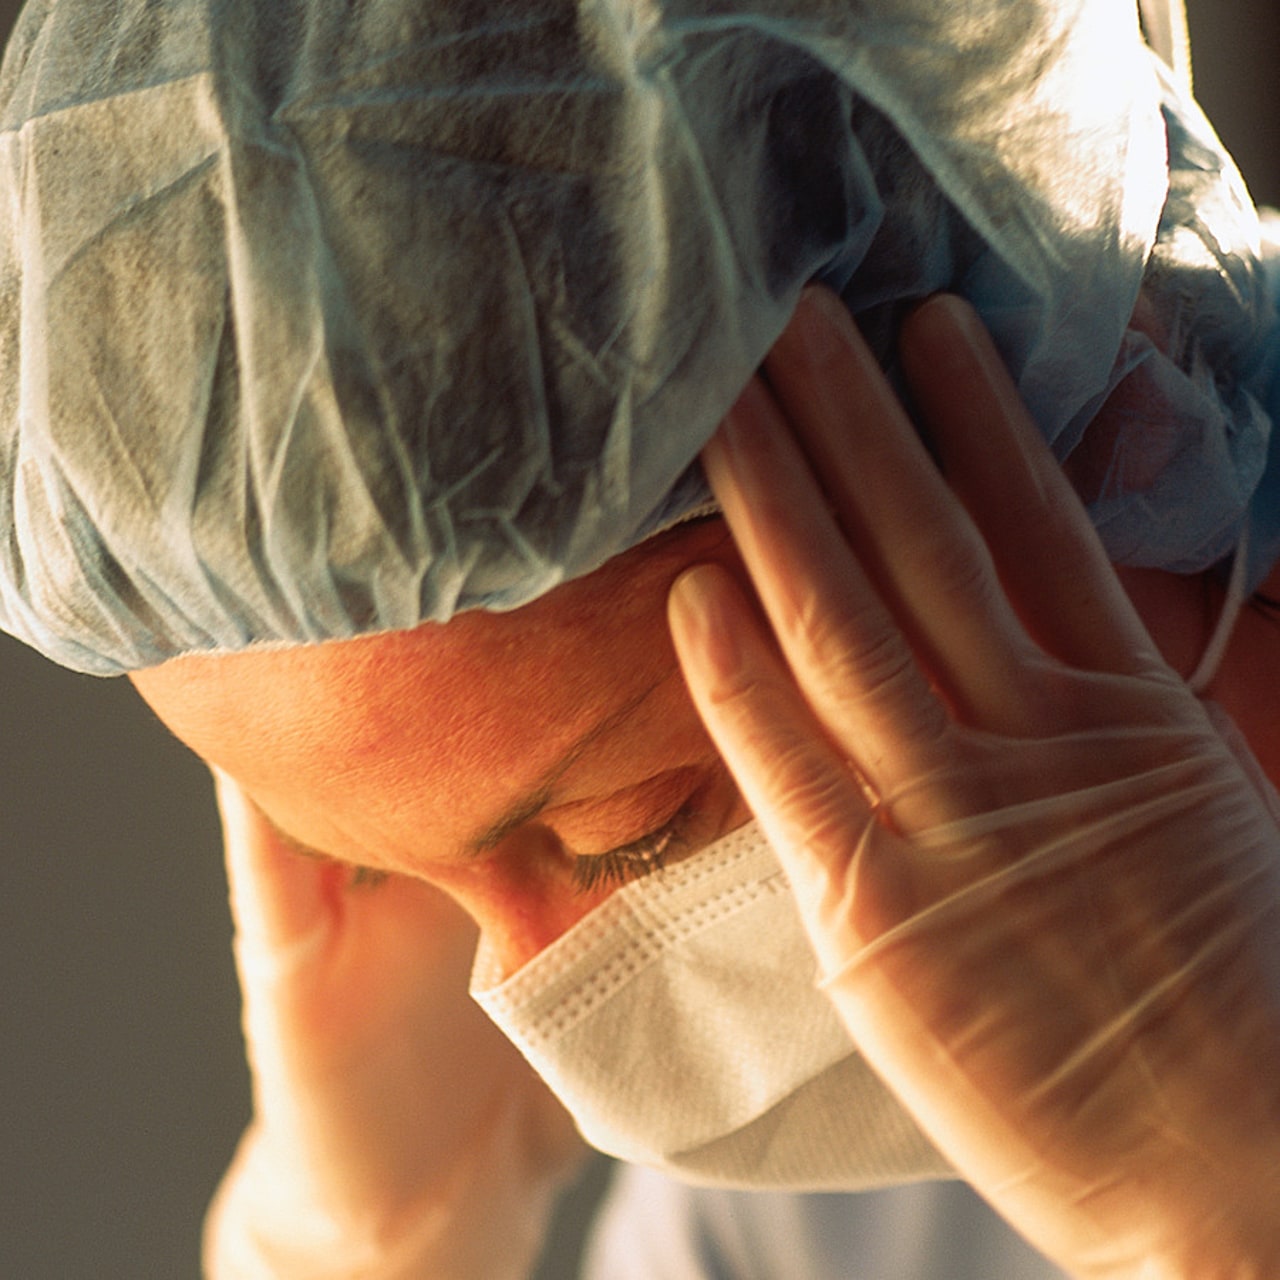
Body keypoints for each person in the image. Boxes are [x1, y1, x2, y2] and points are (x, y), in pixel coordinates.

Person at [2, 0, 1279, 1276]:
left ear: (1116, 405)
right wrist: (367, 1241)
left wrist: (1233, 1205)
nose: (539, 1010)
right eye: (391, 874)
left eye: (637, 828)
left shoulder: (1143, 1093)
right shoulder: (840, 1212)